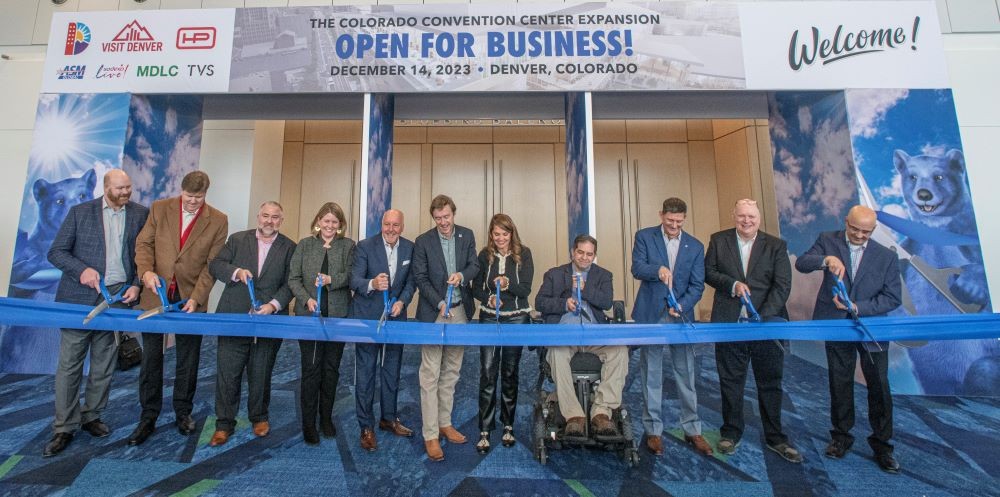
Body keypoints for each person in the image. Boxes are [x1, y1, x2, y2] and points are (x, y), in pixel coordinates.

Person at [43, 170, 148, 457]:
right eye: (120, 188)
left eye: (128, 187)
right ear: (106, 188)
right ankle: (64, 426)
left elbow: (144, 256)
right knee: (70, 364)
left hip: (117, 300)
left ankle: (92, 416)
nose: (126, 192)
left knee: (104, 364)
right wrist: (82, 271)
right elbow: (56, 252)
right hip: (78, 300)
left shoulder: (140, 214)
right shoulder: (80, 212)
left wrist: (137, 285)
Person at [795, 205, 902, 474]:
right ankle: (840, 438)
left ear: (873, 230)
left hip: (872, 329)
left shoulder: (886, 257)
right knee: (839, 382)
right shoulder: (827, 240)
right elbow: (802, 263)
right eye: (854, 229)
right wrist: (826, 260)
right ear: (846, 222)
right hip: (836, 326)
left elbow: (892, 298)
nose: (859, 235)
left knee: (879, 386)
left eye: (865, 231)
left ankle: (883, 446)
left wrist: (857, 306)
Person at [128, 171, 228, 446]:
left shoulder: (218, 220)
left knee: (188, 358)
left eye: (198, 198)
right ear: (181, 191)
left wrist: (197, 298)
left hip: (191, 299)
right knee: (151, 358)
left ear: (206, 194)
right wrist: (145, 272)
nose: (193, 202)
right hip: (155, 294)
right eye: (188, 197)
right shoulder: (160, 208)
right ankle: (148, 415)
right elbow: (144, 243)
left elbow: (212, 265)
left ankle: (183, 411)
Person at [704, 199, 801, 463]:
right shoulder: (718, 240)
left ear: (759, 219)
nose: (747, 221)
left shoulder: (776, 246)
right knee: (730, 381)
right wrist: (732, 283)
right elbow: (709, 273)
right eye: (742, 216)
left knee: (770, 383)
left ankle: (775, 437)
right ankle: (731, 432)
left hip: (767, 327)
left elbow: (782, 286)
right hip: (729, 324)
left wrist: (763, 318)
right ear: (733, 215)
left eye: (752, 217)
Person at [206, 201, 296, 446]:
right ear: (258, 217)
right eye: (265, 216)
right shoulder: (237, 240)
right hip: (234, 318)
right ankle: (224, 424)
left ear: (281, 220)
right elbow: (215, 265)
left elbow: (291, 283)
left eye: (275, 217)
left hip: (269, 321)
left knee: (261, 372)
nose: (269, 221)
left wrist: (274, 305)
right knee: (228, 374)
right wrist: (236, 272)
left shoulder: (289, 247)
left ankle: (259, 417)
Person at [631, 198, 711, 457]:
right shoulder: (644, 236)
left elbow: (698, 285)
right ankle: (653, 430)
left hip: (680, 316)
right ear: (661, 215)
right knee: (650, 372)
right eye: (670, 221)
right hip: (651, 314)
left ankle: (692, 428)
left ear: (684, 219)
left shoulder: (696, 246)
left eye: (679, 222)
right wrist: (658, 270)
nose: (674, 225)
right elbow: (637, 268)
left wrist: (684, 305)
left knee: (686, 373)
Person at [536, 234, 625, 438]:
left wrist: (586, 290)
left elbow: (606, 302)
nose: (585, 258)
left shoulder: (603, 275)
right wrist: (563, 303)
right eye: (580, 253)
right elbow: (540, 302)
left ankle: (601, 412)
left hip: (595, 335)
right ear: (572, 252)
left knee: (619, 350)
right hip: (565, 334)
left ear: (594, 256)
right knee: (556, 352)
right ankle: (573, 416)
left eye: (589, 254)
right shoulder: (555, 274)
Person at [412, 194, 479, 461]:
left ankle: (445, 423)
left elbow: (475, 265)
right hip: (433, 312)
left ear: (454, 213)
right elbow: (420, 277)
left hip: (461, 310)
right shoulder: (423, 241)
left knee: (452, 371)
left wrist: (462, 275)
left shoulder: (467, 235)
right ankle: (430, 434)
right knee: (429, 374)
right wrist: (439, 301)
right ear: (434, 218)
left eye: (447, 217)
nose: (443, 222)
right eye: (438, 218)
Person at [288, 202, 355, 445]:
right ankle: (308, 424)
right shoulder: (305, 245)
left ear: (340, 226)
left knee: (331, 370)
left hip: (337, 316)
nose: (329, 226)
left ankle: (325, 418)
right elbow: (293, 278)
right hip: (309, 317)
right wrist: (306, 300)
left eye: (334, 222)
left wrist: (330, 279)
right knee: (311, 369)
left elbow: (351, 276)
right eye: (325, 221)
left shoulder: (348, 246)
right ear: (318, 221)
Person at [349, 209, 416, 452]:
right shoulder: (365, 246)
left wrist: (402, 302)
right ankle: (365, 426)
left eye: (395, 225)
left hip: (396, 318)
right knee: (366, 373)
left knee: (392, 371)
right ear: (381, 224)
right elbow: (353, 279)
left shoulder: (409, 247)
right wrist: (372, 284)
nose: (390, 229)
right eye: (387, 224)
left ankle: (388, 418)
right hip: (368, 319)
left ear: (402, 227)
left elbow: (411, 282)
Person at [471, 213, 534, 454]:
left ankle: (508, 425)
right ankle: (485, 428)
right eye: (496, 234)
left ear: (512, 233)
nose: (500, 238)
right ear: (491, 234)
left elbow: (526, 288)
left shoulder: (524, 254)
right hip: (488, 316)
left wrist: (507, 284)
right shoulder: (483, 255)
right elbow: (475, 287)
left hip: (517, 317)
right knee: (487, 372)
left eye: (504, 234)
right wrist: (488, 296)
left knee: (509, 372)